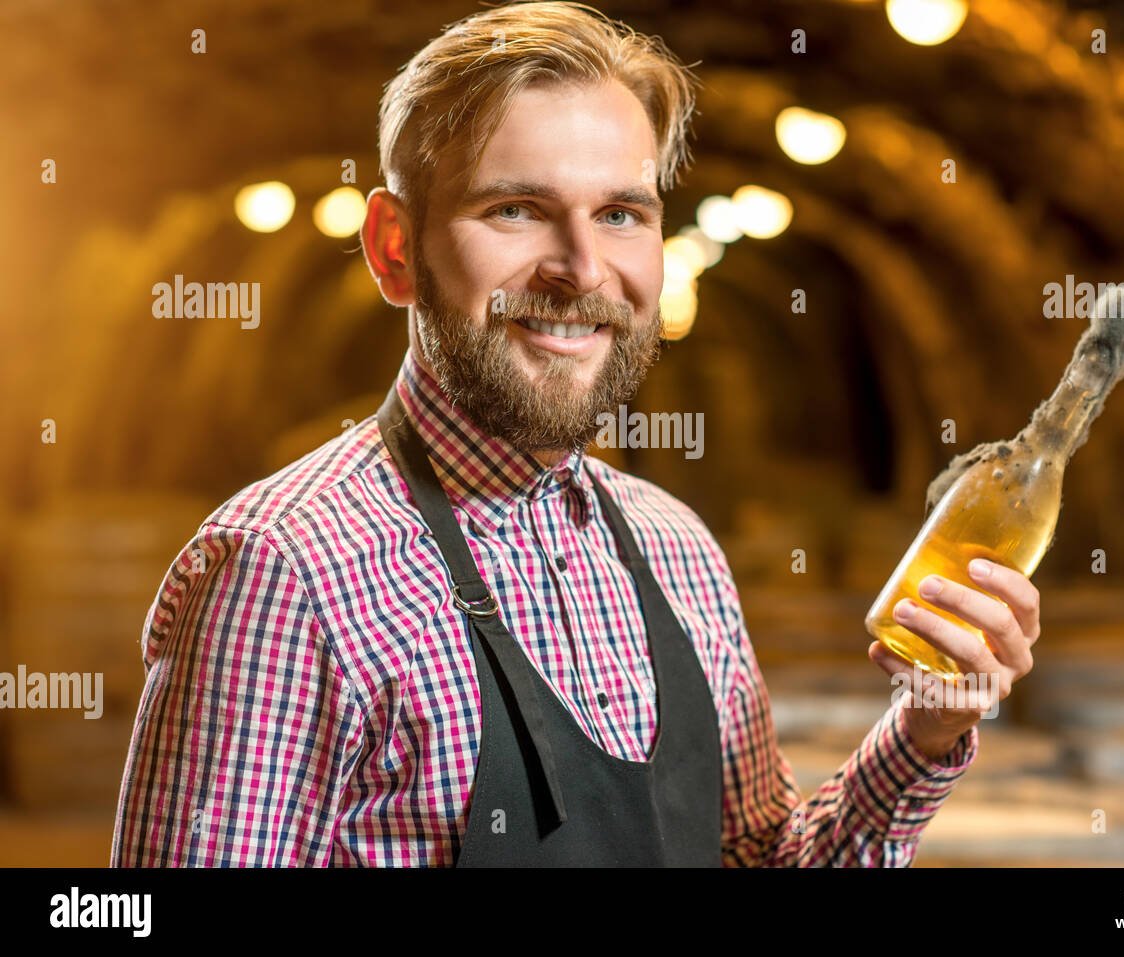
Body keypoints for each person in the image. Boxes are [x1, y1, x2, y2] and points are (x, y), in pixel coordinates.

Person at [112, 1, 1040, 867]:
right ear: (397, 249)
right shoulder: (285, 575)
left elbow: (755, 857)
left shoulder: (678, 551)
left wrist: (925, 729)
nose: (583, 269)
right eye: (515, 209)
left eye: (620, 215)